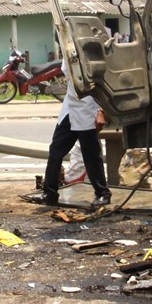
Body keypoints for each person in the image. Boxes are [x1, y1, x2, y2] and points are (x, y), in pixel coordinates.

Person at [35, 65, 110, 208]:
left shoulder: (94, 53)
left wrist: (101, 110)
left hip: (89, 108)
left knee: (91, 154)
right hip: (70, 107)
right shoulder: (68, 52)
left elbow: (106, 80)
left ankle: (102, 193)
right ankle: (50, 193)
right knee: (56, 150)